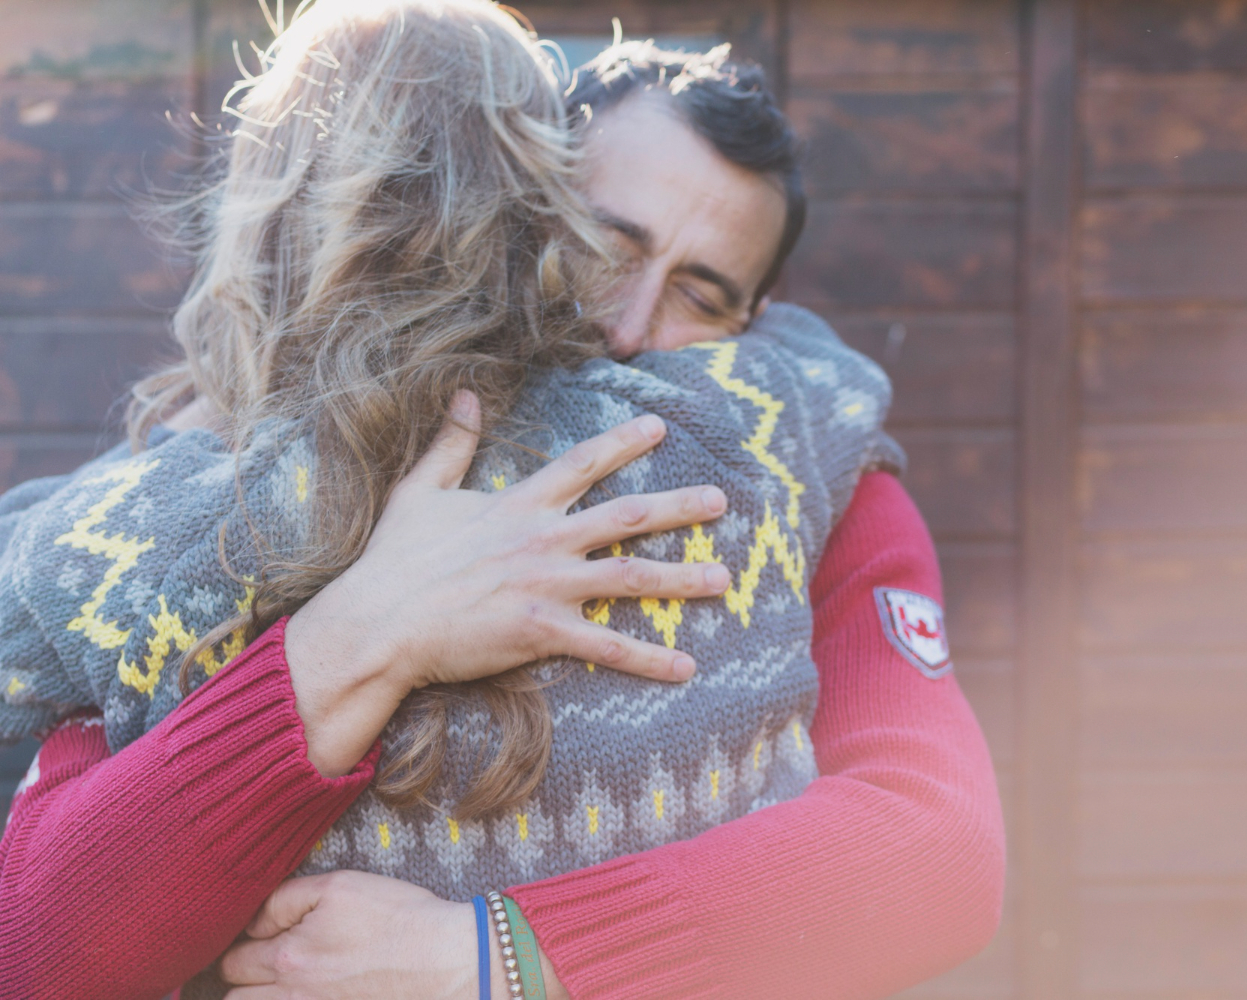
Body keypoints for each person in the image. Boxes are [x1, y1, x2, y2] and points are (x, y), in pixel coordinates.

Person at [0, 18, 1004, 1000]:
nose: (629, 325)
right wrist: (359, 636)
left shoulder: (801, 467)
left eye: (702, 296)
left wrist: (494, 956)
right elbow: (34, 946)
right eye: (606, 244)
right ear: (510, 211)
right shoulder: (205, 490)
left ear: (758, 322)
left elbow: (935, 845)